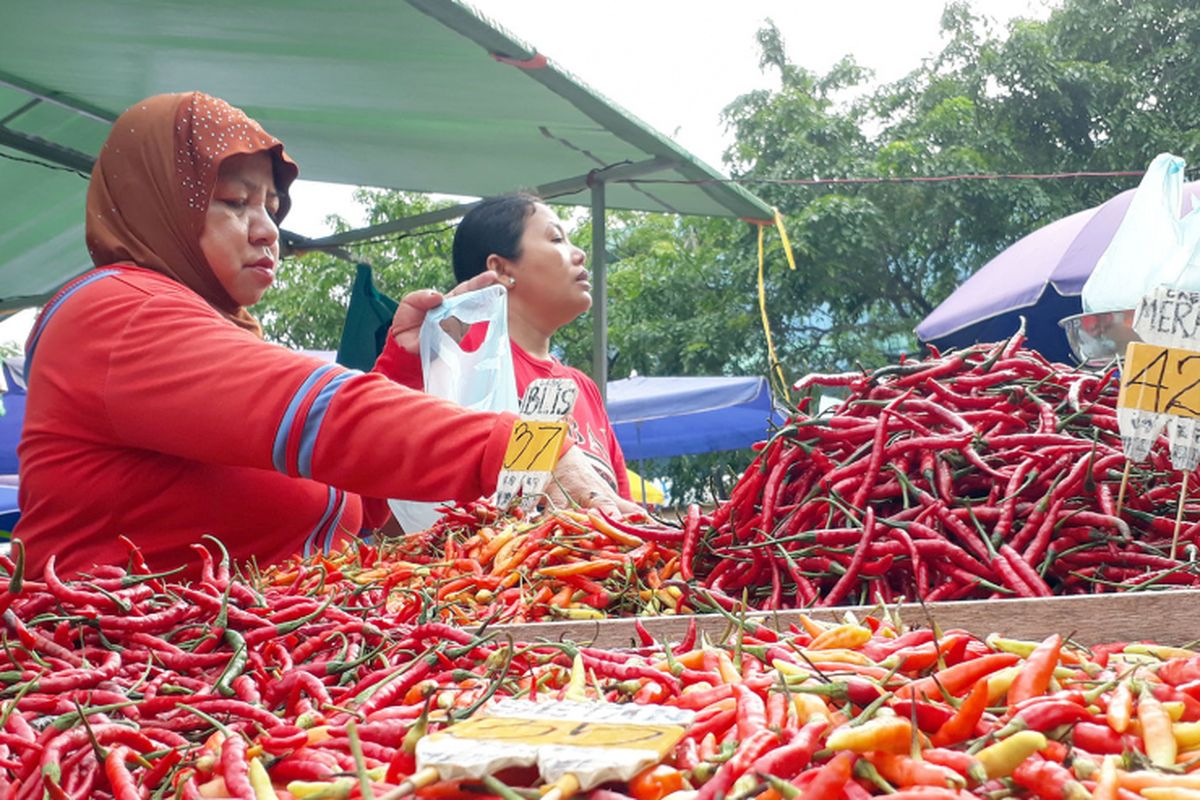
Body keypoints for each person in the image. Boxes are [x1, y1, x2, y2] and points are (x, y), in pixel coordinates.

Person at [15, 92, 635, 579]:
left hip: (228, 666)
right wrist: (526, 447)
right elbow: (323, 417)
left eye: (270, 208)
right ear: (158, 205)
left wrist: (402, 368)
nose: (266, 232)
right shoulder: (116, 315)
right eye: (234, 203)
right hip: (112, 684)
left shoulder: (224, 332)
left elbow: (352, 494)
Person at [378, 194, 632, 499]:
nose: (579, 254)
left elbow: (622, 513)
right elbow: (390, 466)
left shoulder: (584, 387)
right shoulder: (461, 358)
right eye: (556, 239)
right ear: (501, 269)